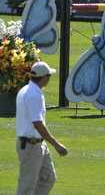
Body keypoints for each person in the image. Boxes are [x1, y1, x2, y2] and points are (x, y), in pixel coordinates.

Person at [16, 61, 68, 195]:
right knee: (26, 186)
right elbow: (37, 124)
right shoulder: (33, 94)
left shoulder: (27, 90)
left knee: (48, 177)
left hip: (38, 144)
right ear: (44, 77)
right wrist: (56, 144)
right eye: (49, 76)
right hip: (30, 145)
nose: (49, 79)